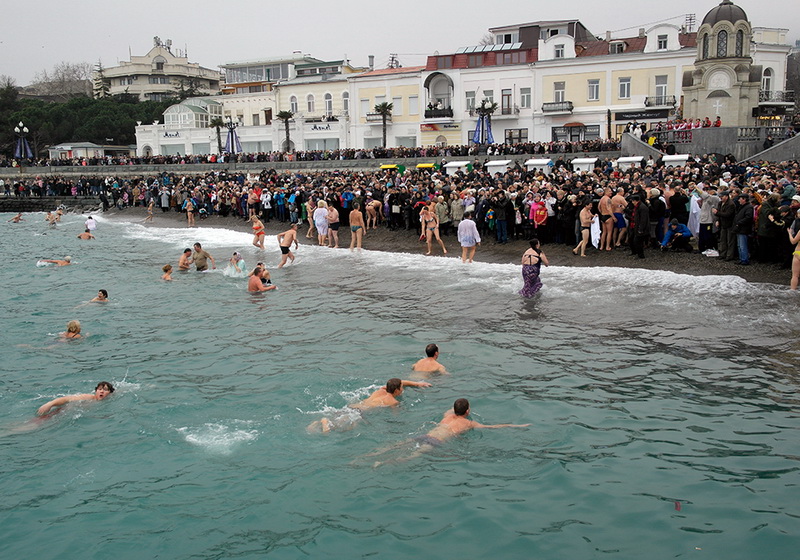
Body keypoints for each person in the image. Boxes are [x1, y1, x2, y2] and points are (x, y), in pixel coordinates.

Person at [370, 398, 530, 466]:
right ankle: (382, 463)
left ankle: (367, 457)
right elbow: (493, 427)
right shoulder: (469, 423)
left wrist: (457, 407)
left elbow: (452, 409)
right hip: (436, 442)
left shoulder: (448, 416)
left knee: (397, 445)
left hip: (426, 435)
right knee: (412, 455)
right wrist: (515, 425)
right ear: (467, 411)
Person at [307, 378, 432, 433]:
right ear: (396, 391)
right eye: (401, 388)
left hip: (351, 407)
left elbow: (399, 381)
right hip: (358, 413)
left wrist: (417, 384)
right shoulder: (393, 401)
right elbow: (395, 416)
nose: (403, 389)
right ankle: (324, 423)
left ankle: (319, 422)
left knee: (336, 421)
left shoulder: (381, 390)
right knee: (344, 430)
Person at [36, 382, 114, 417]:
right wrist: (50, 404)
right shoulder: (88, 397)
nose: (102, 391)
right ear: (95, 391)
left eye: (105, 390)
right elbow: (67, 399)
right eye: (99, 389)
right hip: (62, 411)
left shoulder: (109, 399)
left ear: (110, 393)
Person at [788, 215, 800, 290]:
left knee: (795, 275)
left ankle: (792, 290)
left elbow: (793, 241)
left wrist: (789, 233)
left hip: (798, 252)